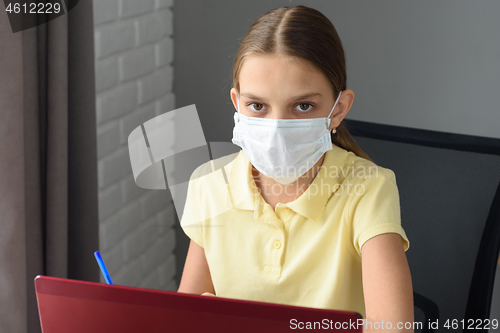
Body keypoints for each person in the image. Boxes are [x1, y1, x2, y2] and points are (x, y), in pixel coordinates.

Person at [177, 5, 414, 331]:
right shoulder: (209, 185)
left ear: (337, 109)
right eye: (257, 106)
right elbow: (183, 315)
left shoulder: (368, 188)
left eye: (303, 106)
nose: (276, 128)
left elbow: (395, 328)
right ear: (237, 104)